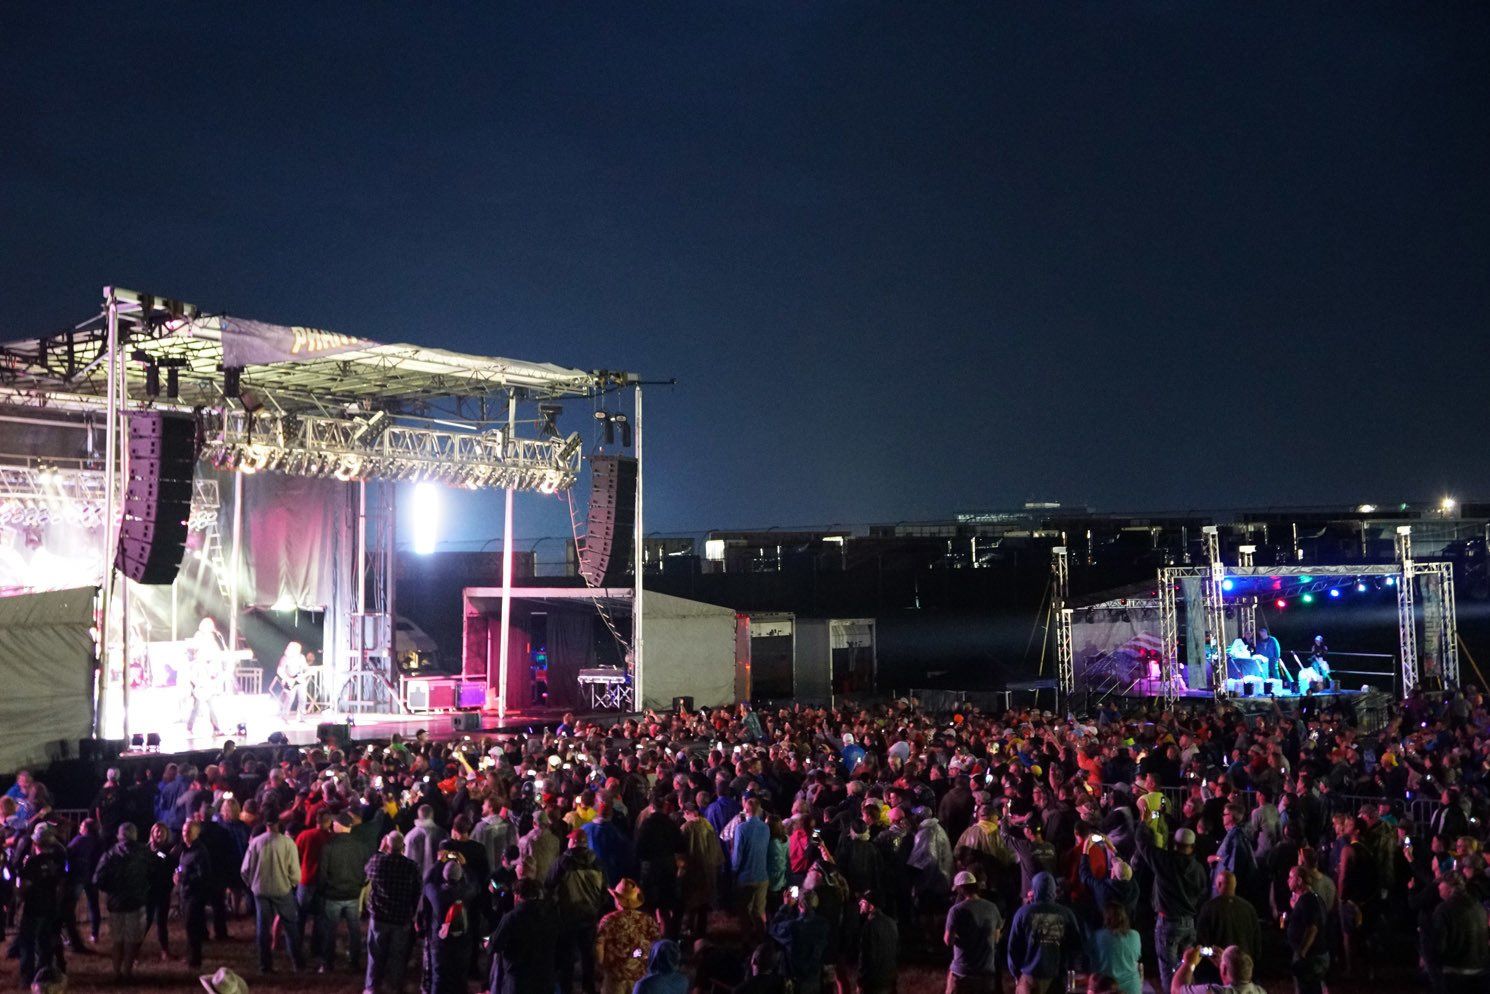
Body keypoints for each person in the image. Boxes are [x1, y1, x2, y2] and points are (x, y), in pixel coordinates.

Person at [1136, 825, 1208, 994]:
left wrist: (1144, 822)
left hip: (1168, 922)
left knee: (1168, 970)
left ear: (1175, 844)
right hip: (1189, 923)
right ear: (1192, 846)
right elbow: (1202, 894)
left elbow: (1143, 844)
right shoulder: (1199, 869)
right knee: (1189, 966)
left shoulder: (1165, 861)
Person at [242, 815, 304, 973]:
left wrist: (252, 883)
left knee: (263, 929)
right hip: (282, 890)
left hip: (261, 890)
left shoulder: (255, 842)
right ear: (279, 823)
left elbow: (245, 869)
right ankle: (297, 963)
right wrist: (291, 883)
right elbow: (295, 871)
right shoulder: (288, 843)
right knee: (291, 927)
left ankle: (265, 965)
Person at [92, 822, 152, 982]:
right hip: (136, 902)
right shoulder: (144, 853)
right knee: (132, 941)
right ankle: (127, 971)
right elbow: (153, 873)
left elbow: (97, 879)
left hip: (116, 903)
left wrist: (112, 889)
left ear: (119, 836)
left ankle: (117, 972)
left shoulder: (110, 854)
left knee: (117, 940)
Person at [364, 830, 422, 994]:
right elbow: (417, 892)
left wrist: (381, 850)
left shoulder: (377, 861)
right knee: (397, 955)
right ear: (403, 847)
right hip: (402, 917)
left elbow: (367, 871)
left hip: (379, 916)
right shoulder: (412, 867)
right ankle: (395, 986)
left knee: (375, 953)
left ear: (387, 844)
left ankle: (371, 987)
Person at [1005, 871, 1082, 994]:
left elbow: (1013, 948)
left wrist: (1017, 975)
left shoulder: (1023, 913)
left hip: (1029, 978)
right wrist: (1070, 972)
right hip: (1056, 978)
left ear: (1034, 888)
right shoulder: (1067, 914)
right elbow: (1076, 947)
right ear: (1054, 890)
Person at [550, 830, 607, 994]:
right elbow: (604, 889)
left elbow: (549, 885)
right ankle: (588, 987)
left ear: (573, 843)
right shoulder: (597, 862)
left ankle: (566, 988)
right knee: (588, 954)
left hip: (567, 916)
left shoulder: (562, 862)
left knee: (567, 955)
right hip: (589, 915)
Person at [485, 877, 561, 994]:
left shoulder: (511, 918)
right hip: (545, 977)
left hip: (518, 980)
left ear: (517, 895)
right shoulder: (551, 915)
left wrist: (488, 943)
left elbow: (495, 945)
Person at [318, 812, 367, 973]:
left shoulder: (329, 846)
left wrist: (322, 890)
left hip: (333, 894)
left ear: (338, 825)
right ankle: (354, 962)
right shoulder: (360, 846)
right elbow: (365, 870)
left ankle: (328, 963)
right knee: (354, 930)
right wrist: (360, 884)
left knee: (330, 930)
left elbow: (323, 873)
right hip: (353, 893)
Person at [1424, 873, 1489, 994]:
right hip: (1481, 969)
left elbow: (1439, 946)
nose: (1439, 892)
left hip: (1456, 970)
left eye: (1440, 888)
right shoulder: (1478, 906)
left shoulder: (1444, 909)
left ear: (1449, 888)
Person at [595, 879, 662, 994]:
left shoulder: (609, 920)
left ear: (618, 900)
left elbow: (598, 945)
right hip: (640, 976)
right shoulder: (648, 920)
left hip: (615, 975)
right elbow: (657, 944)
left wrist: (600, 966)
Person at [945, 870, 1002, 994]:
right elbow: (996, 939)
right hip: (986, 973)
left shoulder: (956, 911)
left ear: (960, 889)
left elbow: (948, 941)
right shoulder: (992, 907)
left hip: (963, 973)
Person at [420, 860, 473, 994]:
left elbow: (427, 882)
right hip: (462, 942)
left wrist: (438, 862)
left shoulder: (436, 893)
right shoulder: (467, 892)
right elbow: (475, 883)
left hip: (440, 942)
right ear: (460, 876)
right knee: (460, 977)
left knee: (439, 977)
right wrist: (465, 865)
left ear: (444, 876)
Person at [768, 886, 829, 994]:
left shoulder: (794, 927)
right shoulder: (823, 924)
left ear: (800, 905)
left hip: (796, 981)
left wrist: (786, 906)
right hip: (814, 978)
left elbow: (774, 928)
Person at [1195, 870, 1261, 966]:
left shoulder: (1209, 908)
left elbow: (1201, 941)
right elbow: (1257, 940)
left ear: (1219, 884)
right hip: (1243, 964)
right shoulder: (1249, 908)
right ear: (1235, 885)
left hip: (1218, 966)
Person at [1283, 865, 1327, 994]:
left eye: (1290, 877)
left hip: (1310, 957)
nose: (1287, 880)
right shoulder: (1309, 898)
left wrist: (1302, 952)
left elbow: (1312, 928)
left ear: (1299, 881)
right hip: (1312, 955)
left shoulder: (1308, 900)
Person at [175, 820, 213, 968]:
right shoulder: (185, 849)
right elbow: (181, 866)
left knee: (193, 927)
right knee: (188, 926)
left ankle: (195, 960)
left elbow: (202, 875)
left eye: (188, 831)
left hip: (195, 895)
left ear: (196, 833)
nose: (185, 834)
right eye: (184, 831)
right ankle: (190, 955)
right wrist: (177, 873)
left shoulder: (200, 852)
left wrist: (183, 877)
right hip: (185, 893)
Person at [732, 797, 771, 934]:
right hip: (762, 875)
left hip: (746, 877)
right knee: (758, 912)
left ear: (746, 810)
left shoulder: (741, 829)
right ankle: (762, 940)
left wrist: (733, 872)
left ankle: (746, 942)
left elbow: (737, 855)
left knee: (744, 913)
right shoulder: (766, 828)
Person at [1089, 902, 1141, 994]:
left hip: (1106, 989)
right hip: (1132, 989)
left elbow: (1093, 962)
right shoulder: (1135, 935)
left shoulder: (1098, 936)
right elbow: (1137, 958)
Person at [1170, 945, 1266, 994]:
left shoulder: (1216, 991)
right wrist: (1226, 964)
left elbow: (1176, 990)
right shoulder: (1260, 991)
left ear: (1224, 969)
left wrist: (1189, 963)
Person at [855, 891, 899, 994]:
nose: (860, 904)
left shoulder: (870, 926)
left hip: (875, 983)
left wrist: (861, 982)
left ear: (870, 905)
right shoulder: (891, 923)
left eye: (863, 902)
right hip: (890, 978)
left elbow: (867, 956)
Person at [278, 640, 310, 719]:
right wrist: (287, 679)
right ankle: (284, 716)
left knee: (303, 698)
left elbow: (305, 667)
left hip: (299, 679)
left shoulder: (301, 657)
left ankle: (301, 717)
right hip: (290, 680)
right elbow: (279, 670)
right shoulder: (285, 658)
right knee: (289, 699)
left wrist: (309, 671)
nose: (299, 650)